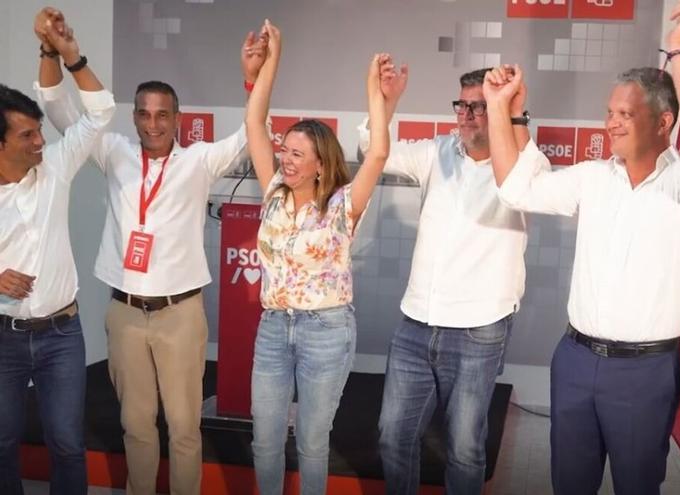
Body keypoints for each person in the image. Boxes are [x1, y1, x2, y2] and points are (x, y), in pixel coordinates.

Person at [482, 1, 680, 493]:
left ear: (664, 123)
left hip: (646, 371)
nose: (611, 123)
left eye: (626, 113)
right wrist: (500, 109)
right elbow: (516, 189)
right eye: (609, 112)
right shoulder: (594, 178)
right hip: (574, 360)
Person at [35, 12, 261, 495]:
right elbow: (56, 110)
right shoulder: (112, 150)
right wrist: (50, 52)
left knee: (183, 431)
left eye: (162, 114)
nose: (153, 123)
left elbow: (251, 132)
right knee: (136, 428)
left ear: (178, 119)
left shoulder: (199, 161)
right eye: (143, 113)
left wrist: (254, 78)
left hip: (180, 314)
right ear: (133, 115)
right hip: (126, 314)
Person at [363, 47, 539, 495]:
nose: (468, 116)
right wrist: (386, 102)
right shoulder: (438, 152)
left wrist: (513, 115)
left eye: (481, 106)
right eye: (463, 105)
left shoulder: (525, 163)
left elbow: (524, 182)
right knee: (392, 436)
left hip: (479, 330)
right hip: (416, 323)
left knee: (464, 449)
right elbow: (373, 148)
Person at [245, 20, 392, 495]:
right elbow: (253, 122)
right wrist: (272, 61)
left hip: (325, 331)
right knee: (264, 439)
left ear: (321, 164)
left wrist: (374, 92)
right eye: (284, 150)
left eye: (296, 154)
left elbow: (378, 154)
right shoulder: (272, 190)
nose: (285, 159)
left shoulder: (342, 207)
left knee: (311, 441)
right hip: (273, 327)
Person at [0, 9, 115, 495]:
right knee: (2, 442)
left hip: (62, 335)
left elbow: (100, 113)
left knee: (67, 444)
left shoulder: (57, 167)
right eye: (27, 135)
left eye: (39, 130)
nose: (41, 141)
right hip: (3, 340)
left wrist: (64, 54)